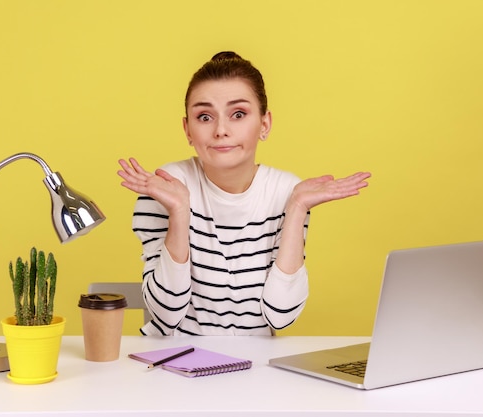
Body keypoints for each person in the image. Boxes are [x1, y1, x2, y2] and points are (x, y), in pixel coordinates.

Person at [118, 51, 371, 336]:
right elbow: (166, 316)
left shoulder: (287, 191)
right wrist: (179, 213)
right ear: (187, 129)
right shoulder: (165, 188)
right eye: (204, 116)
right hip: (171, 362)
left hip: (254, 370)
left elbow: (280, 316)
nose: (221, 130)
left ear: (264, 124)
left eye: (238, 114)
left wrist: (298, 207)